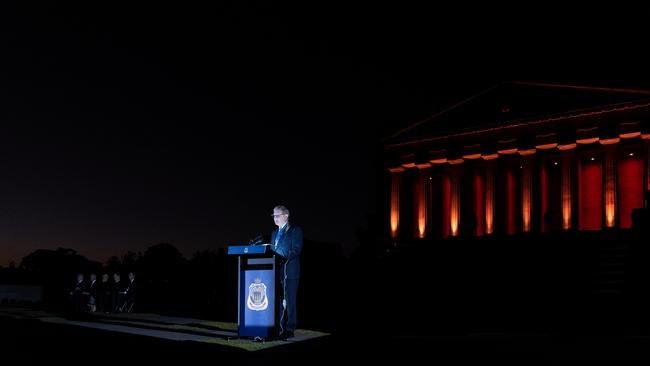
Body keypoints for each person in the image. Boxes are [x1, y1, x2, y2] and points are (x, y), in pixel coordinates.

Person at [270, 205, 303, 339]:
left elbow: (296, 249)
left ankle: (290, 328)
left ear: (286, 215)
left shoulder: (295, 230)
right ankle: (278, 326)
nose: (275, 218)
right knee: (277, 300)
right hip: (276, 272)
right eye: (274, 216)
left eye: (277, 215)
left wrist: (283, 258)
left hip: (290, 271)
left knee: (290, 300)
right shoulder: (273, 233)